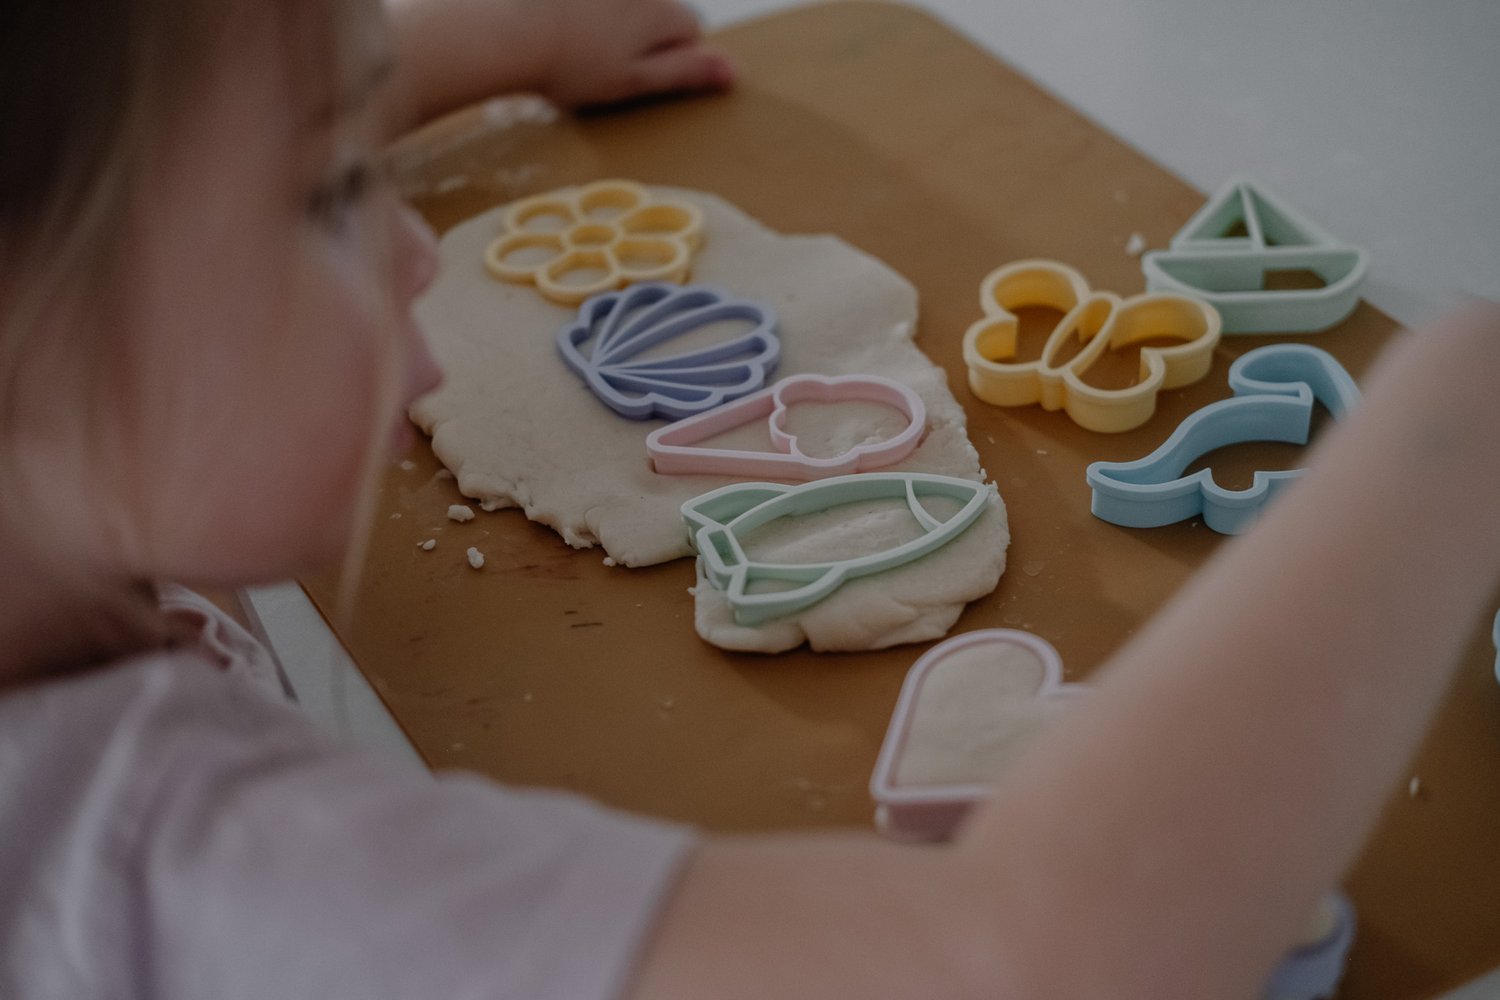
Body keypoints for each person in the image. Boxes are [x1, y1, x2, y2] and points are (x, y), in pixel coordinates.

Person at [1, 0, 1496, 996]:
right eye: (328, 195)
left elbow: (126, 125)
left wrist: (468, 45)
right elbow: (1036, 957)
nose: (415, 253)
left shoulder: (60, 489)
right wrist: (1451, 426)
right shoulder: (209, 880)